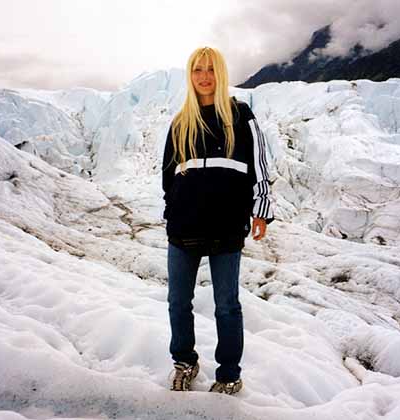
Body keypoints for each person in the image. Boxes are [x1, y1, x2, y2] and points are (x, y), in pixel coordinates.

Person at [161, 46, 275, 395]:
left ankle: (229, 375)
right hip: (184, 229)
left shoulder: (240, 116)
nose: (204, 77)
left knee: (227, 306)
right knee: (178, 302)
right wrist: (172, 211)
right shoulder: (182, 121)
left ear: (220, 73)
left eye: (210, 69)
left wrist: (262, 210)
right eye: (197, 70)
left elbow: (259, 166)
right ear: (190, 75)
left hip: (226, 227)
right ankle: (185, 361)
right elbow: (168, 175)